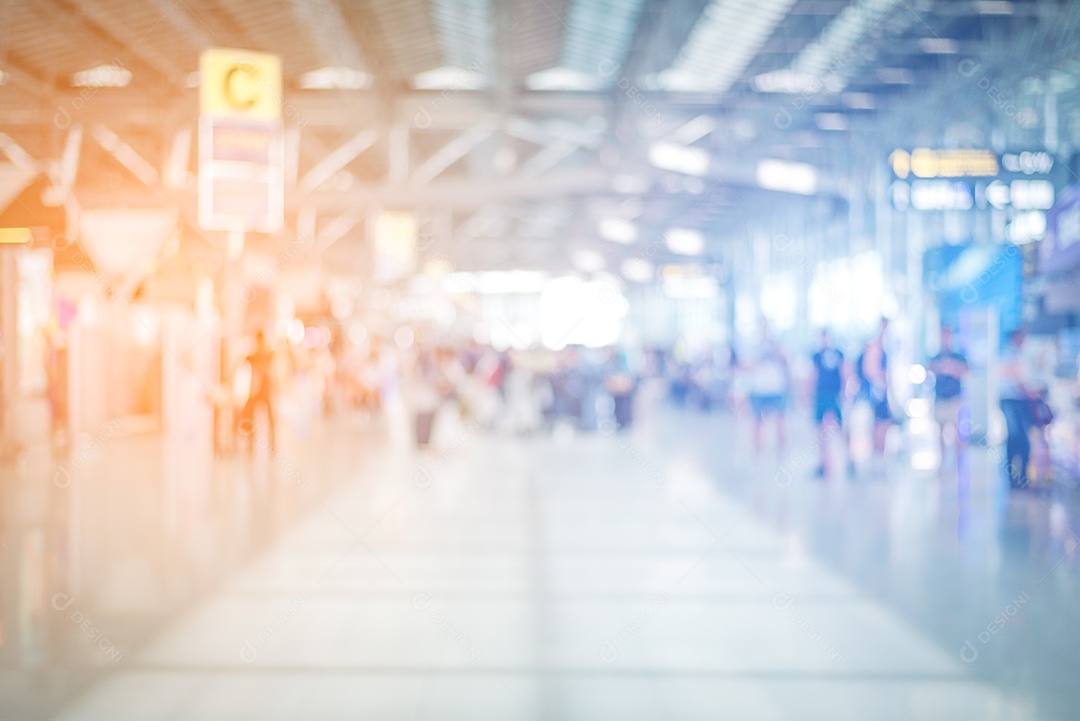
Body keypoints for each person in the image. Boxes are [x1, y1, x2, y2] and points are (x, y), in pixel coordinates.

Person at [928, 326, 969, 471]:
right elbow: (930, 369)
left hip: (954, 400)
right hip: (939, 399)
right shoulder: (936, 356)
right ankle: (943, 462)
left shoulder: (958, 356)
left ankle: (959, 463)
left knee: (958, 433)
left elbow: (965, 371)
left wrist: (950, 368)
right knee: (940, 432)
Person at [747, 323, 790, 456]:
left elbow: (787, 362)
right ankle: (759, 452)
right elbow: (747, 365)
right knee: (758, 422)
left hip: (776, 389)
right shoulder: (754, 346)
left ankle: (781, 451)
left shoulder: (778, 346)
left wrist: (776, 351)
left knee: (780, 421)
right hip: (759, 388)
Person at [811, 329, 848, 478]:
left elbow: (844, 372)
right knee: (821, 430)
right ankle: (823, 463)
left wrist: (844, 392)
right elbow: (814, 375)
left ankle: (849, 459)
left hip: (834, 395)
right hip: (821, 394)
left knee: (840, 428)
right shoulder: (817, 356)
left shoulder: (838, 354)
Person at [999, 330, 1032, 489]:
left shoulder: (1019, 353)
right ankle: (1016, 477)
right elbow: (1015, 380)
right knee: (1017, 437)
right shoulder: (1009, 353)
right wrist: (1030, 392)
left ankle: (1018, 476)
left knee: (1018, 437)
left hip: (1017, 400)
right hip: (1011, 400)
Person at [857, 317, 891, 466]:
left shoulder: (883, 345)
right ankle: (877, 457)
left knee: (882, 424)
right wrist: (882, 380)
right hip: (876, 391)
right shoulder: (875, 346)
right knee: (880, 424)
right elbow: (870, 370)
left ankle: (879, 456)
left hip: (879, 391)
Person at [238, 330, 277, 453]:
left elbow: (273, 370)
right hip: (255, 391)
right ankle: (251, 443)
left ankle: (272, 443)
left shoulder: (267, 354)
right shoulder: (256, 355)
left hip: (263, 391)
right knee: (251, 417)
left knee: (270, 418)